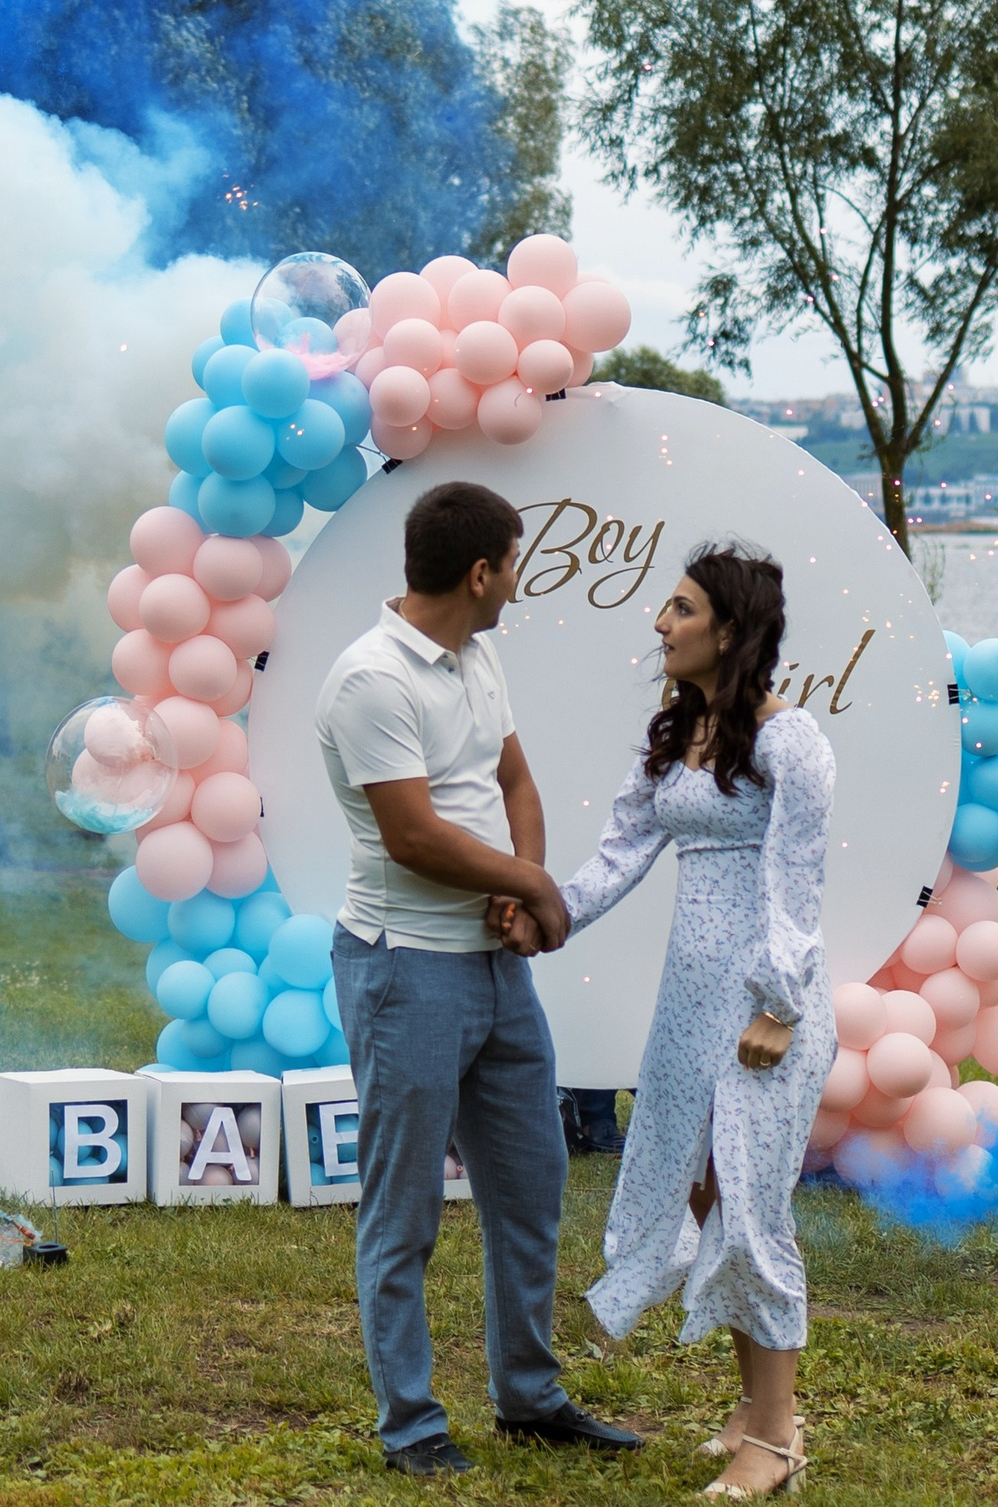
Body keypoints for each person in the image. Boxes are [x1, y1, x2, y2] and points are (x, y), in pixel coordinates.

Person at [314, 480, 644, 1478]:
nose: (519, 580)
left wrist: (515, 893)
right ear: (479, 572)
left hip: (494, 970)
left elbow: (512, 784)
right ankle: (410, 1424)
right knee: (404, 1206)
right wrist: (532, 886)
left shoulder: (476, 653)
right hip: (403, 970)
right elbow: (411, 837)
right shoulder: (370, 681)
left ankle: (528, 1396)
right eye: (515, 562)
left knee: (532, 1181)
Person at [518, 541, 837, 1499]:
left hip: (763, 1008)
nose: (661, 622)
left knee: (749, 1202)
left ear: (731, 632)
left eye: (682, 608)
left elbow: (796, 885)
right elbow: (617, 855)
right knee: (704, 1194)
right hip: (688, 1003)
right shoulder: (675, 736)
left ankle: (775, 1443)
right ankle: (752, 1405)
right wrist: (546, 913)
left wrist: (778, 1005)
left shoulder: (791, 742)